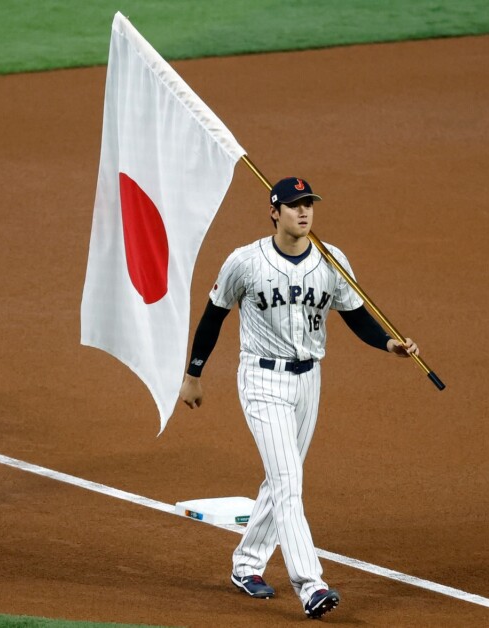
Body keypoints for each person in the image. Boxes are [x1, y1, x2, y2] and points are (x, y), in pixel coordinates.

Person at [179, 176, 418, 619]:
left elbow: (356, 314)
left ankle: (246, 564)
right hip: (261, 379)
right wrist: (194, 374)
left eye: (308, 204)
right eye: (293, 205)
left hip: (310, 380)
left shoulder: (331, 261)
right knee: (289, 482)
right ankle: (311, 585)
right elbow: (212, 317)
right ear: (275, 212)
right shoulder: (245, 262)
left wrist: (389, 344)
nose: (303, 212)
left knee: (280, 478)